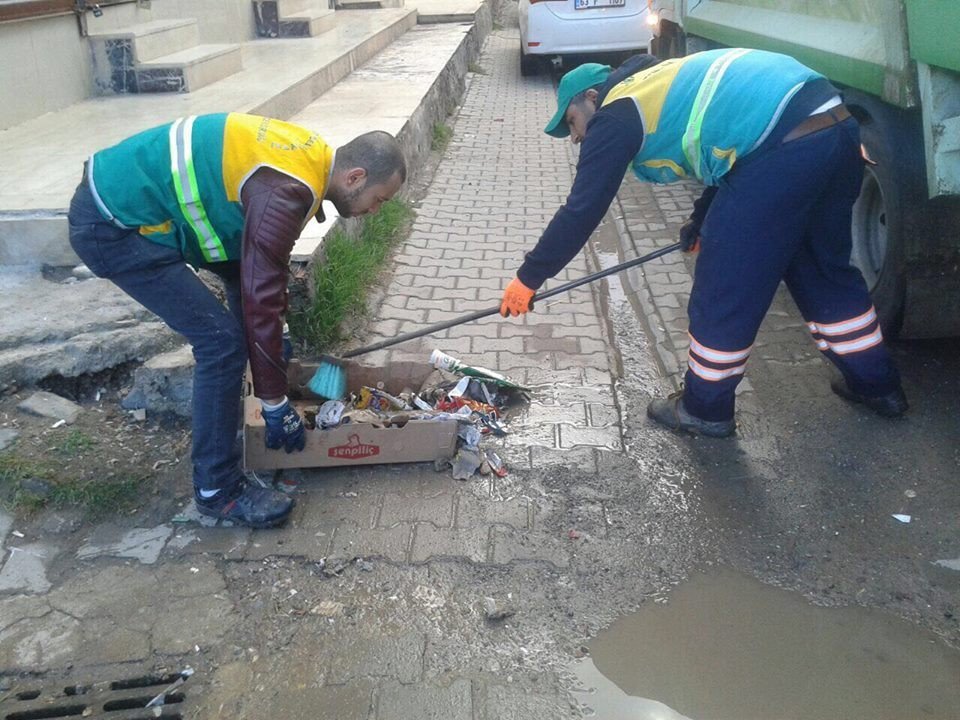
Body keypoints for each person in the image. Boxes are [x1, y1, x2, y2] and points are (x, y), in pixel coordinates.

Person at [499, 50, 907, 438]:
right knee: (822, 269)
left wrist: (529, 277)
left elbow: (582, 210)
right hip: (834, 127)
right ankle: (877, 385)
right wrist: (700, 219)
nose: (574, 137)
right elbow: (730, 151)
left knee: (724, 286)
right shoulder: (658, 83)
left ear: (591, 96)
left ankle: (704, 409)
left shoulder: (617, 112)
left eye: (571, 122)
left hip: (783, 147)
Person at [68, 113, 406, 526]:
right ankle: (217, 490)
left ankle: (242, 419)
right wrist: (277, 403)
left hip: (133, 202)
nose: (375, 210)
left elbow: (258, 270)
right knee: (222, 344)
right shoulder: (285, 191)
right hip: (115, 227)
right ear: (355, 177)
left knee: (257, 329)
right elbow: (260, 291)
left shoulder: (309, 159)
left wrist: (274, 337)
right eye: (380, 199)